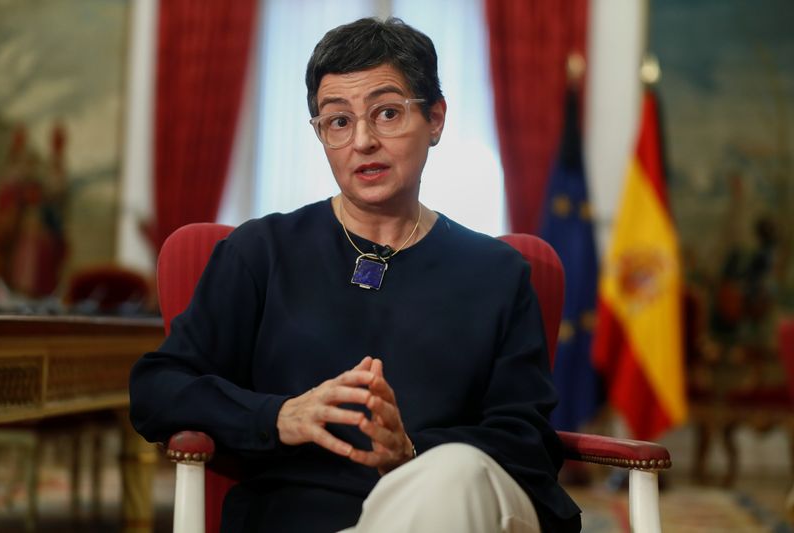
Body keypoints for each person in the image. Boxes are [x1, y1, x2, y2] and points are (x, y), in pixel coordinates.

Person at [129, 17, 581, 533]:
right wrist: (278, 416)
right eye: (338, 121)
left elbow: (526, 440)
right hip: (297, 516)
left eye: (387, 113)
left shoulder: (497, 274)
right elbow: (157, 387)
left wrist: (410, 451)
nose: (362, 141)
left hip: (457, 508)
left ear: (435, 119)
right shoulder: (261, 252)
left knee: (453, 473)